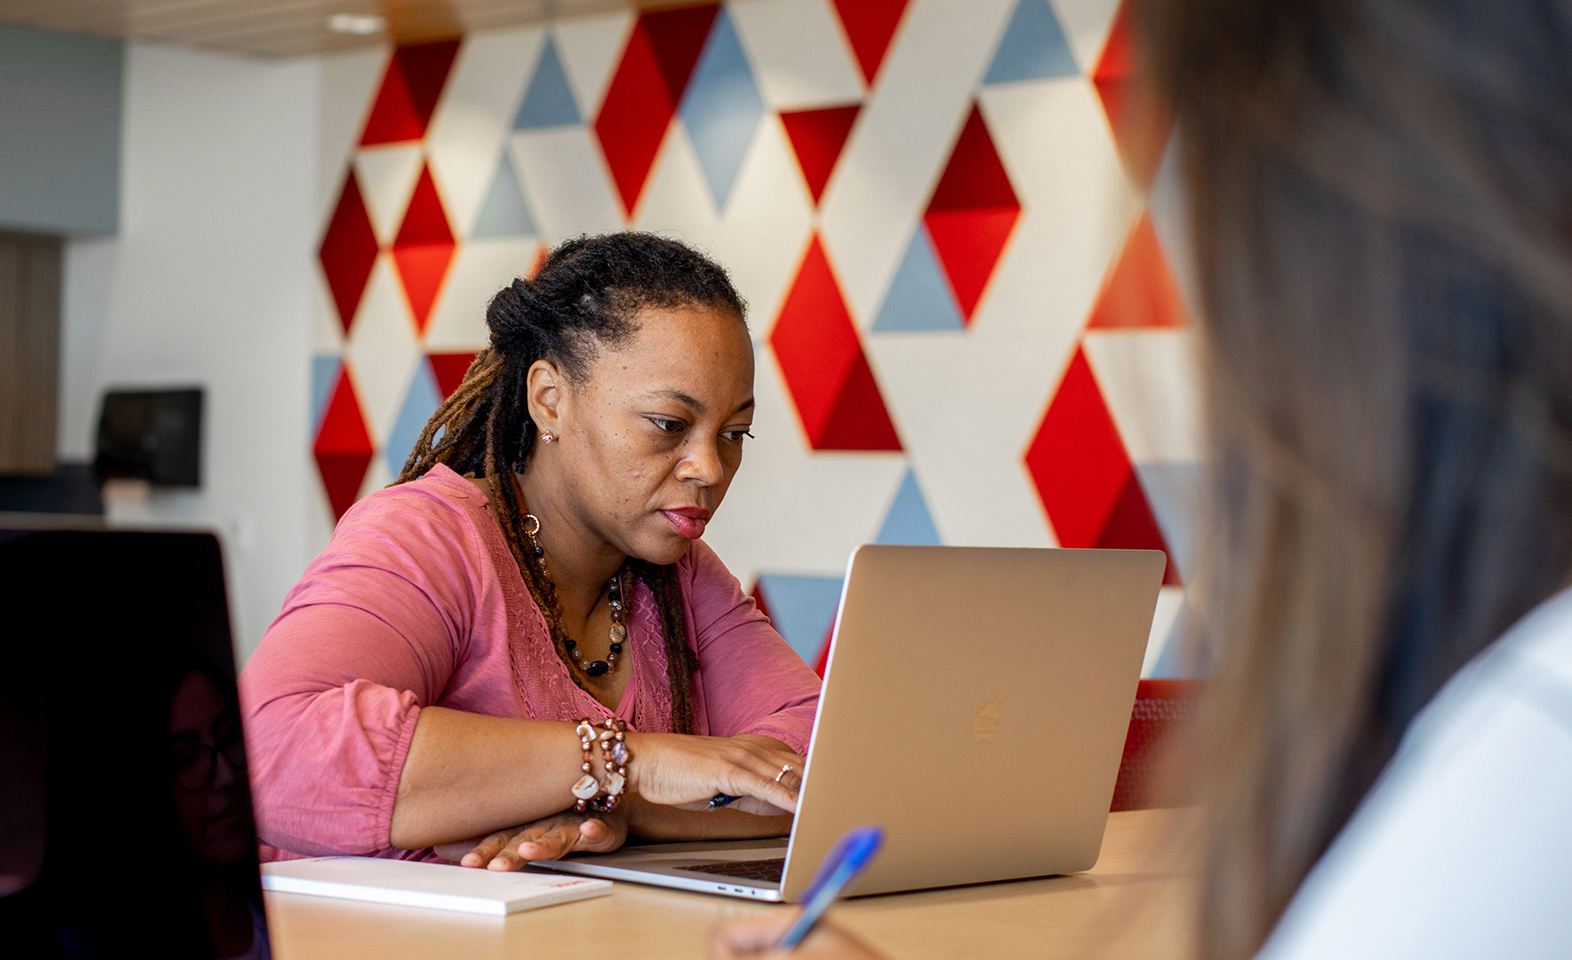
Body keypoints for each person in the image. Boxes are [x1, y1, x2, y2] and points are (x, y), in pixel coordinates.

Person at [713, 0, 1572, 956]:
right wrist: (628, 773)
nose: (704, 468)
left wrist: (626, 786)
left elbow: (802, 750)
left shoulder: (1531, 747)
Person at [241, 232, 822, 869]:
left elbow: (824, 767)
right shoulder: (426, 536)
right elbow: (272, 756)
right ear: (550, 398)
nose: (710, 468)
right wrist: (628, 762)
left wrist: (623, 808)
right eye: (669, 425)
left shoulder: (679, 574)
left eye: (735, 432)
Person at [0, 642, 270, 959]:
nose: (225, 776)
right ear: (131, 785)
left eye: (229, 736)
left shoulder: (284, 892)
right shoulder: (53, 940)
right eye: (185, 759)